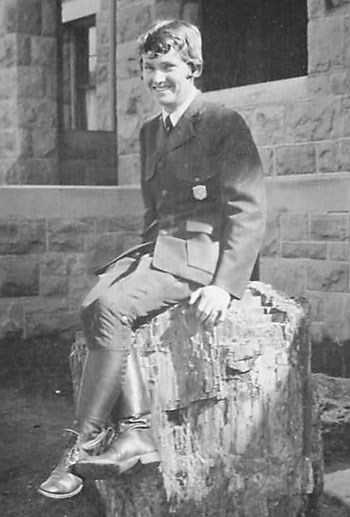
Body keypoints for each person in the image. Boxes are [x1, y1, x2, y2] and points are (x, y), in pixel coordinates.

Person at [38, 19, 266, 500]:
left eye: (168, 66)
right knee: (94, 302)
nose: (157, 77)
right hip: (161, 252)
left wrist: (224, 285)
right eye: (148, 67)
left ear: (193, 67)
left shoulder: (222, 122)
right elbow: (154, 209)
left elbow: (247, 208)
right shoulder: (149, 131)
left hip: (200, 260)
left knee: (112, 309)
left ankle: (81, 449)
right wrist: (140, 261)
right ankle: (136, 434)